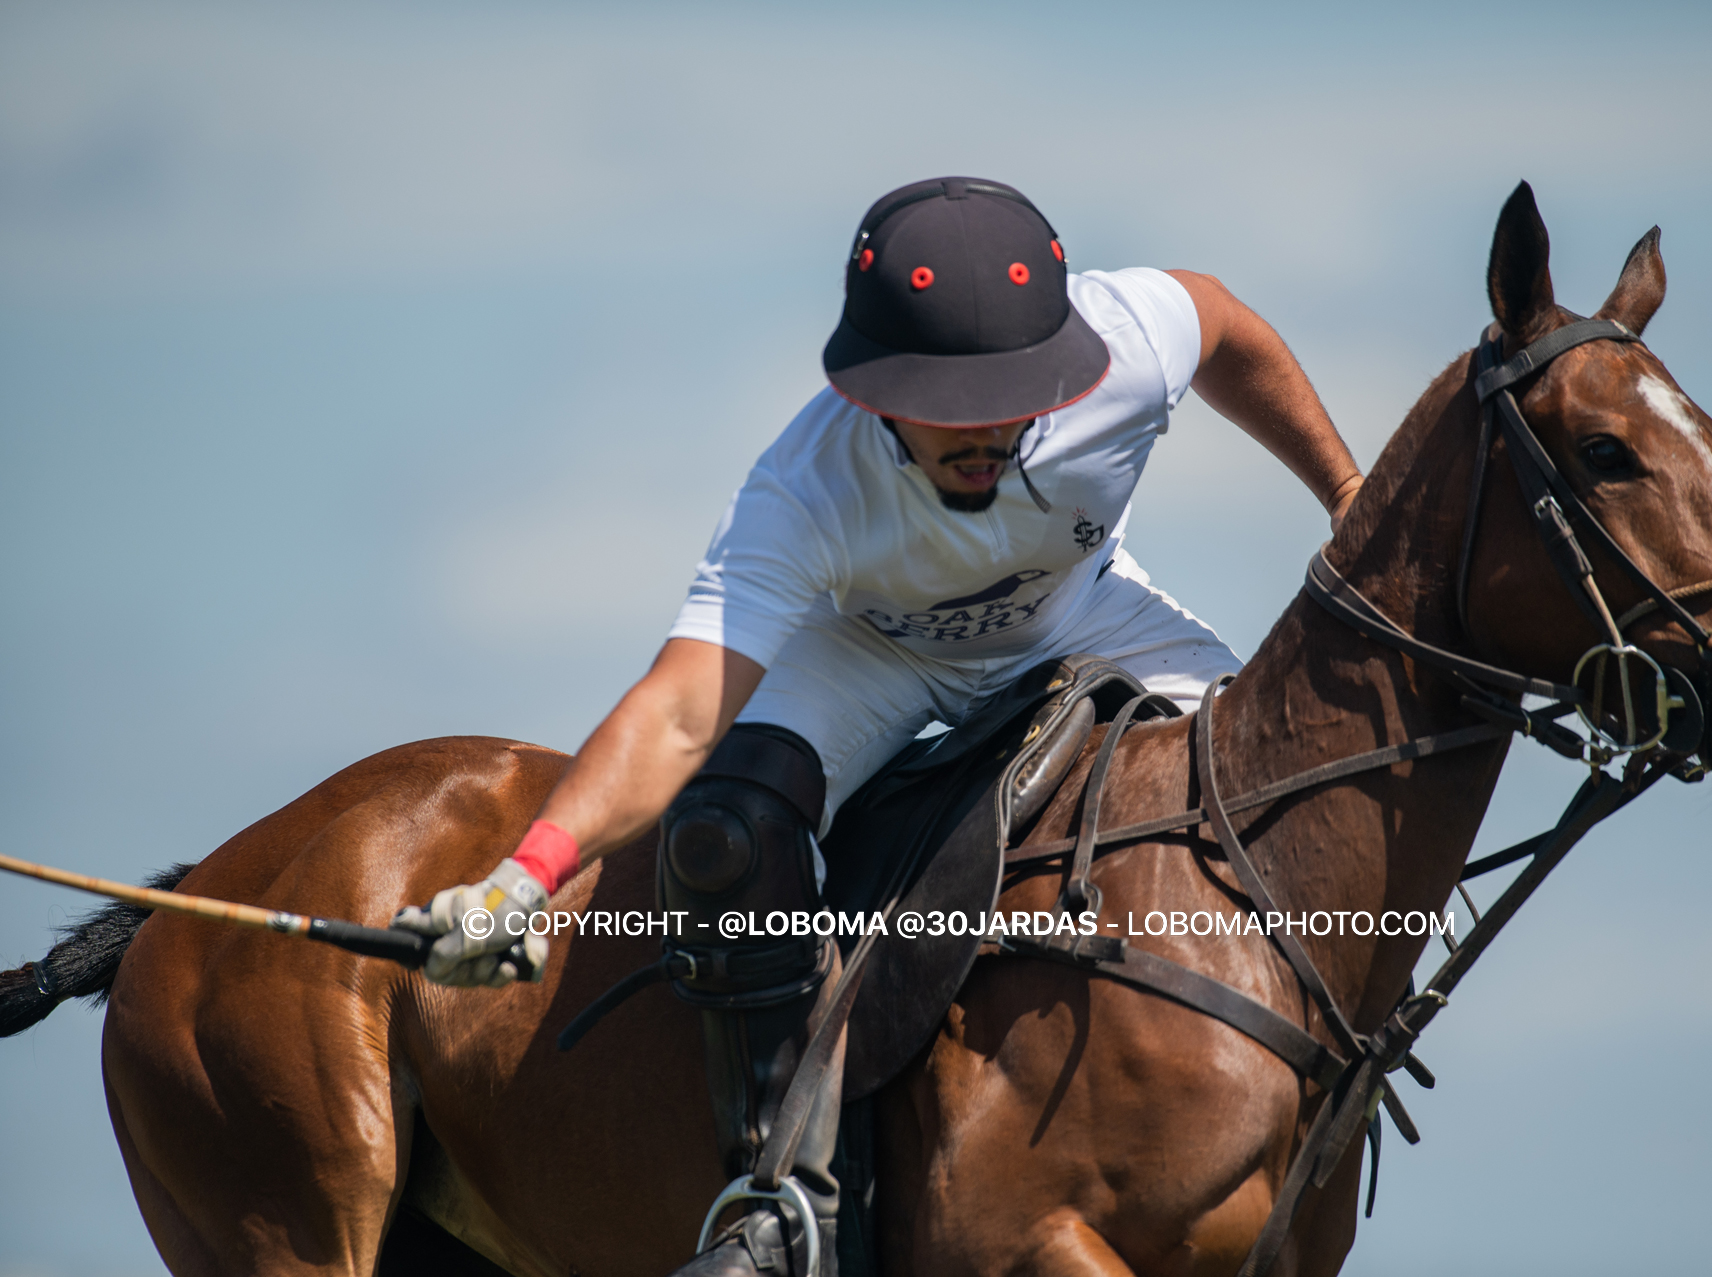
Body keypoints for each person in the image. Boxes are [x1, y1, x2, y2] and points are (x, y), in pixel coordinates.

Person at [394, 176, 1363, 1276]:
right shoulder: (805, 490)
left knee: (1278, 784)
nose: (984, 433)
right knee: (731, 830)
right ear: (874, 388)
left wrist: (1346, 491)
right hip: (873, 651)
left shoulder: (1130, 338)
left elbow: (1226, 325)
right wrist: (524, 877)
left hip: (1079, 607)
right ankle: (782, 1199)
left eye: (1011, 398)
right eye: (946, 407)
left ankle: (1329, 1085)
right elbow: (673, 712)